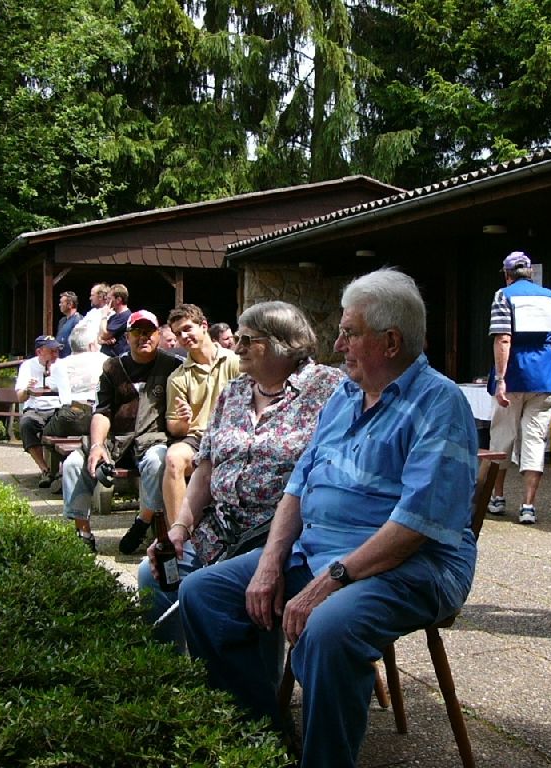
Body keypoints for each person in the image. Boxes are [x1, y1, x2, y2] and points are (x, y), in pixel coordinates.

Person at [179, 268, 479, 768]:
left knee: (328, 629)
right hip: (320, 554)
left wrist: (332, 580)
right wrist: (270, 562)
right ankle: (262, 741)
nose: (337, 345)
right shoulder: (344, 395)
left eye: (349, 333)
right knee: (202, 593)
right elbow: (298, 486)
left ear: (390, 342)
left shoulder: (439, 403)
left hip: (411, 566)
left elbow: (415, 525)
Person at [139, 301, 343, 646]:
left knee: (214, 588)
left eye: (248, 340)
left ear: (284, 344)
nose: (237, 347)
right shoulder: (234, 392)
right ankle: (174, 670)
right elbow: (206, 468)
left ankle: (240, 676)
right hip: (221, 531)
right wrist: (180, 527)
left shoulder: (327, 388)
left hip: (284, 538)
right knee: (155, 574)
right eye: (237, 338)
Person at [60, 310, 181, 552]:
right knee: (73, 463)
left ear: (158, 335)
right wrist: (97, 445)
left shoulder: (173, 366)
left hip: (152, 441)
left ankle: (142, 523)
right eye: (137, 332)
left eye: (149, 331)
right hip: (115, 441)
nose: (143, 337)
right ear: (127, 337)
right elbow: (102, 411)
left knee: (158, 462)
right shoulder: (112, 367)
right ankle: (83, 532)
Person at [486, 251, 551, 524]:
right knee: (535, 440)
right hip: (543, 379)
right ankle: (528, 506)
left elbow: (503, 339)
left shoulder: (503, 296)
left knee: (502, 437)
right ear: (531, 273)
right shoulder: (550, 297)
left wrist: (501, 379)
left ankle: (497, 497)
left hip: (513, 377)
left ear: (507, 275)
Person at [160, 304, 241, 524]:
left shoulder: (235, 362)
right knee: (173, 458)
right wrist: (183, 421)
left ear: (204, 325)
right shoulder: (177, 377)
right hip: (198, 438)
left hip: (233, 434)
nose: (183, 337)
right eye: (178, 333)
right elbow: (174, 427)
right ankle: (178, 534)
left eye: (188, 328)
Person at [43, 325, 109, 441]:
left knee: (45, 432)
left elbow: (51, 385)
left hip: (70, 417)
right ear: (91, 345)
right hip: (100, 416)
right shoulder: (106, 360)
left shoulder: (60, 364)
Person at [15, 335, 64, 487]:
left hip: (57, 407)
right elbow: (20, 397)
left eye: (57, 351)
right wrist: (28, 389)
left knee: (70, 422)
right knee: (26, 424)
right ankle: (45, 470)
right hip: (35, 409)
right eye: (52, 351)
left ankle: (63, 470)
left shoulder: (62, 365)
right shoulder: (27, 366)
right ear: (39, 352)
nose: (55, 354)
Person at [99, 284, 132, 357]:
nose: (107, 302)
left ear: (118, 300)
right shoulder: (113, 316)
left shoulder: (125, 316)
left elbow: (104, 334)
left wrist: (104, 316)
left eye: (109, 298)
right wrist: (103, 341)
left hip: (116, 358)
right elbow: (100, 335)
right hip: (106, 356)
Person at [54, 291, 82, 358]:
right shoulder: (62, 321)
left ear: (70, 304)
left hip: (71, 359)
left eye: (62, 303)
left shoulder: (78, 320)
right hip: (60, 359)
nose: (59, 305)